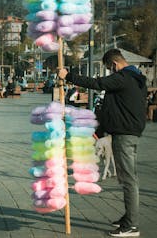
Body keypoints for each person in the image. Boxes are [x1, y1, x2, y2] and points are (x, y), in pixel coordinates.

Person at [59, 49, 147, 237]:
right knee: (127, 179)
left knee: (129, 180)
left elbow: (97, 83)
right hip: (127, 133)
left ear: (114, 64)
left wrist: (69, 76)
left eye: (109, 69)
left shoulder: (123, 77)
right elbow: (114, 108)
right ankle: (129, 218)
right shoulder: (135, 78)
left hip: (124, 135)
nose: (110, 73)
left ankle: (132, 226)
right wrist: (99, 131)